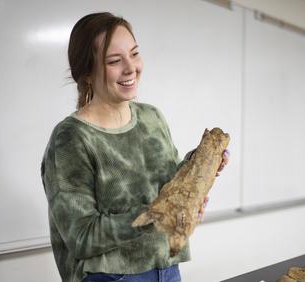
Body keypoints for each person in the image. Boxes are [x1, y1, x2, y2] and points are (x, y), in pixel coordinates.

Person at [41, 12, 229, 282]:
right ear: (87, 74)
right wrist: (157, 214)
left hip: (168, 268)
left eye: (134, 53)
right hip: (112, 277)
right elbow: (81, 236)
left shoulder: (152, 117)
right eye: (115, 61)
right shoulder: (71, 138)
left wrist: (197, 169)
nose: (131, 68)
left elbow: (166, 185)